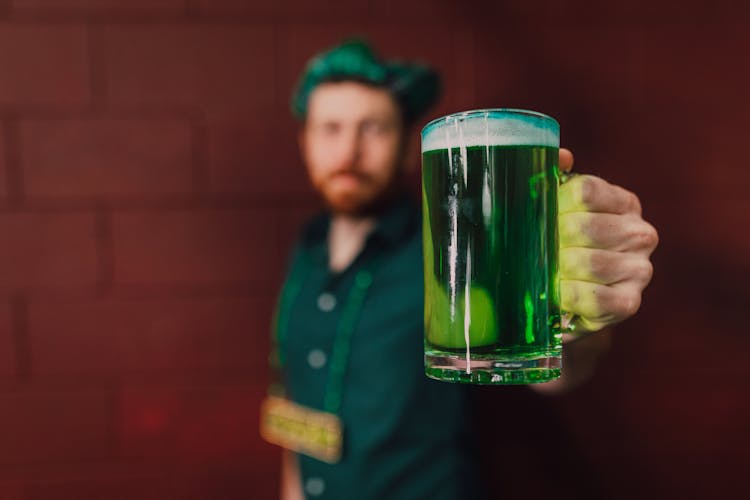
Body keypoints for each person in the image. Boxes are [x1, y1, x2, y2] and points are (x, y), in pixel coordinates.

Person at [263, 39, 658, 500]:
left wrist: (578, 322)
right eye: (330, 128)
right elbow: (298, 398)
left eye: (372, 128)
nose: (349, 151)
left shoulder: (452, 247)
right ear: (305, 143)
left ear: (409, 148)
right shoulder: (306, 251)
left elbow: (556, 370)